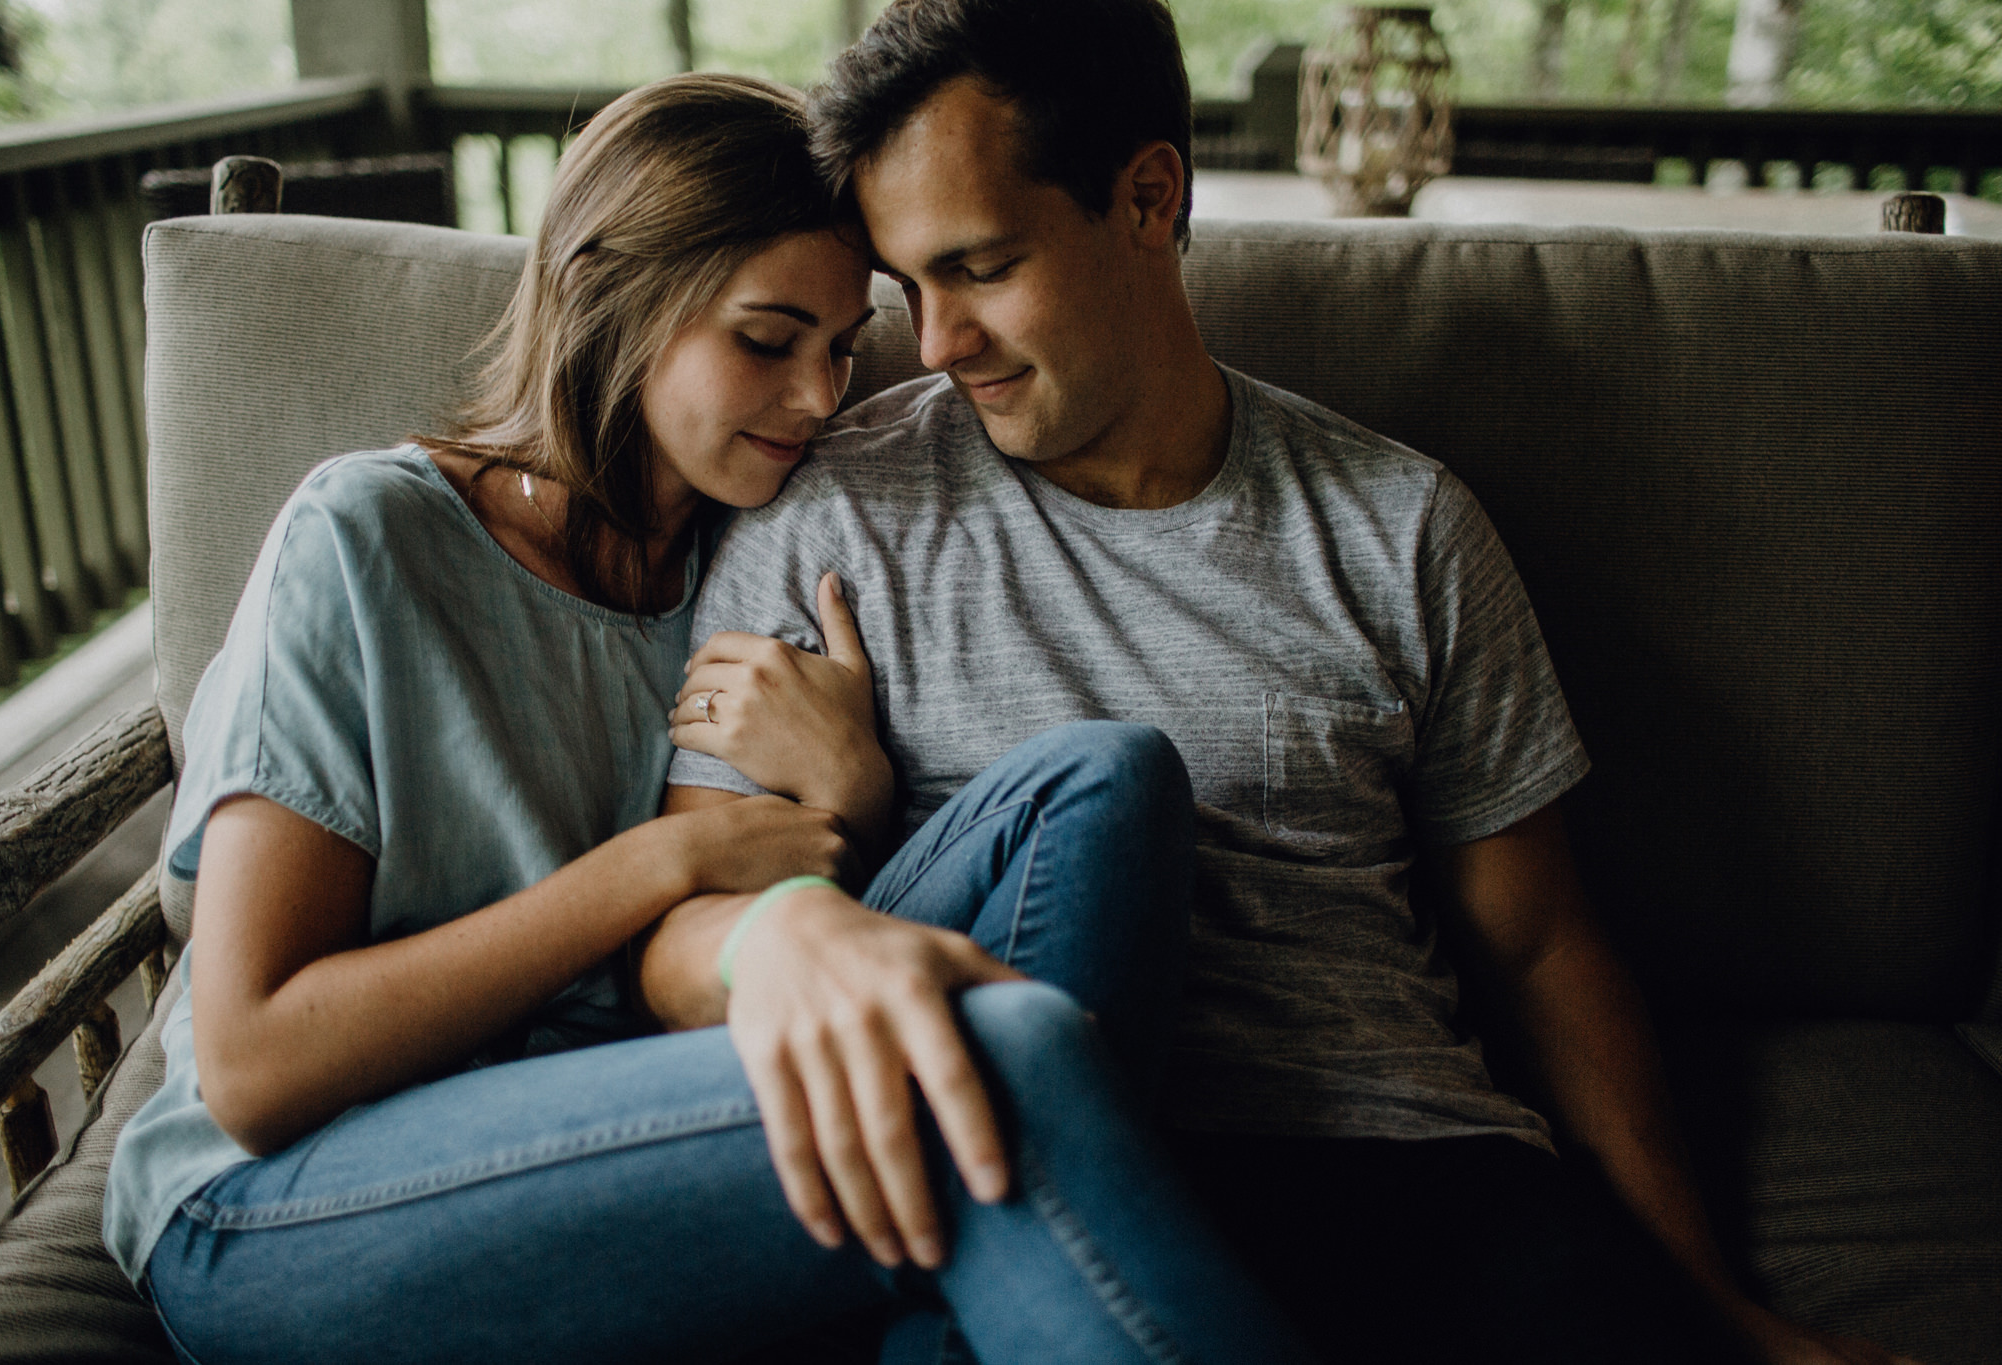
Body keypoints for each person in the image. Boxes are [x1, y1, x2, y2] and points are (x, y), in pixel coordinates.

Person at [656, 3, 1920, 1363]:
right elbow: (679, 948)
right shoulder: (831, 515)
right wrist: (815, 887)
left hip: (1416, 1168)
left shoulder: (1401, 524)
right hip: (1060, 1152)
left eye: (983, 266)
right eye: (910, 286)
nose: (940, 340)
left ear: (1149, 197)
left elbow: (1540, 944)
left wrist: (1714, 1302)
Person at [101, 73, 1310, 1365]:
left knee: (1107, 783)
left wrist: (856, 798)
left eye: (841, 348)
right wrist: (659, 861)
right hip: (284, 1203)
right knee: (984, 1061)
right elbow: (253, 1061)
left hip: (642, 1141)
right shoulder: (368, 539)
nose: (814, 398)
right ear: (607, 286)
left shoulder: (741, 564)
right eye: (765, 339)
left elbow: (755, 926)